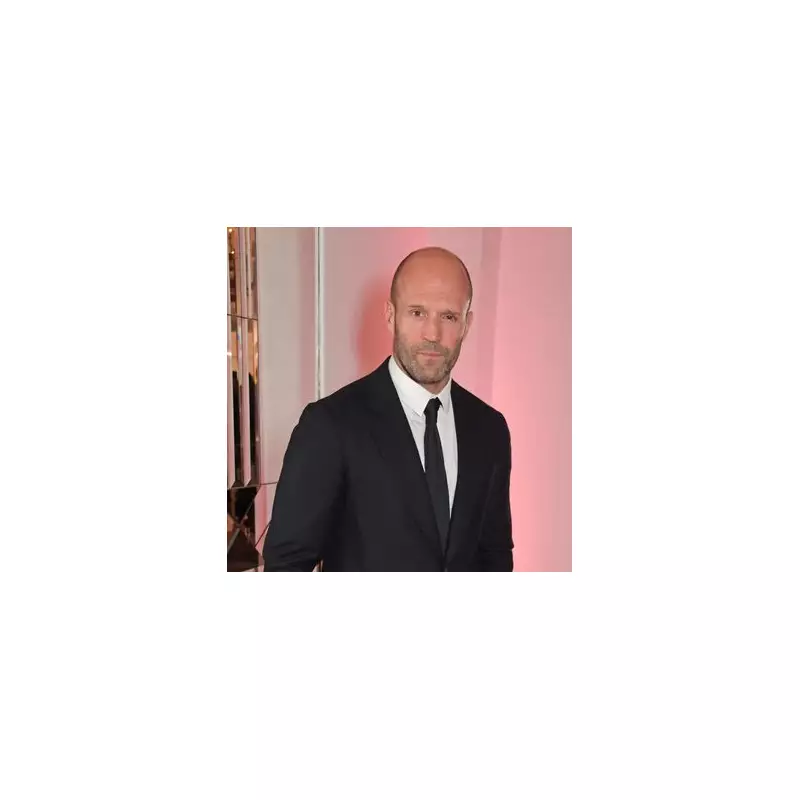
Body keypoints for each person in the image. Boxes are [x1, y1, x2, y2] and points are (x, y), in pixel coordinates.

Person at [263, 246, 513, 571]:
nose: (433, 334)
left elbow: (495, 555)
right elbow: (286, 567)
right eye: (417, 313)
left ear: (466, 324)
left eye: (449, 316)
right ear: (391, 315)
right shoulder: (329, 425)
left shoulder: (490, 429)